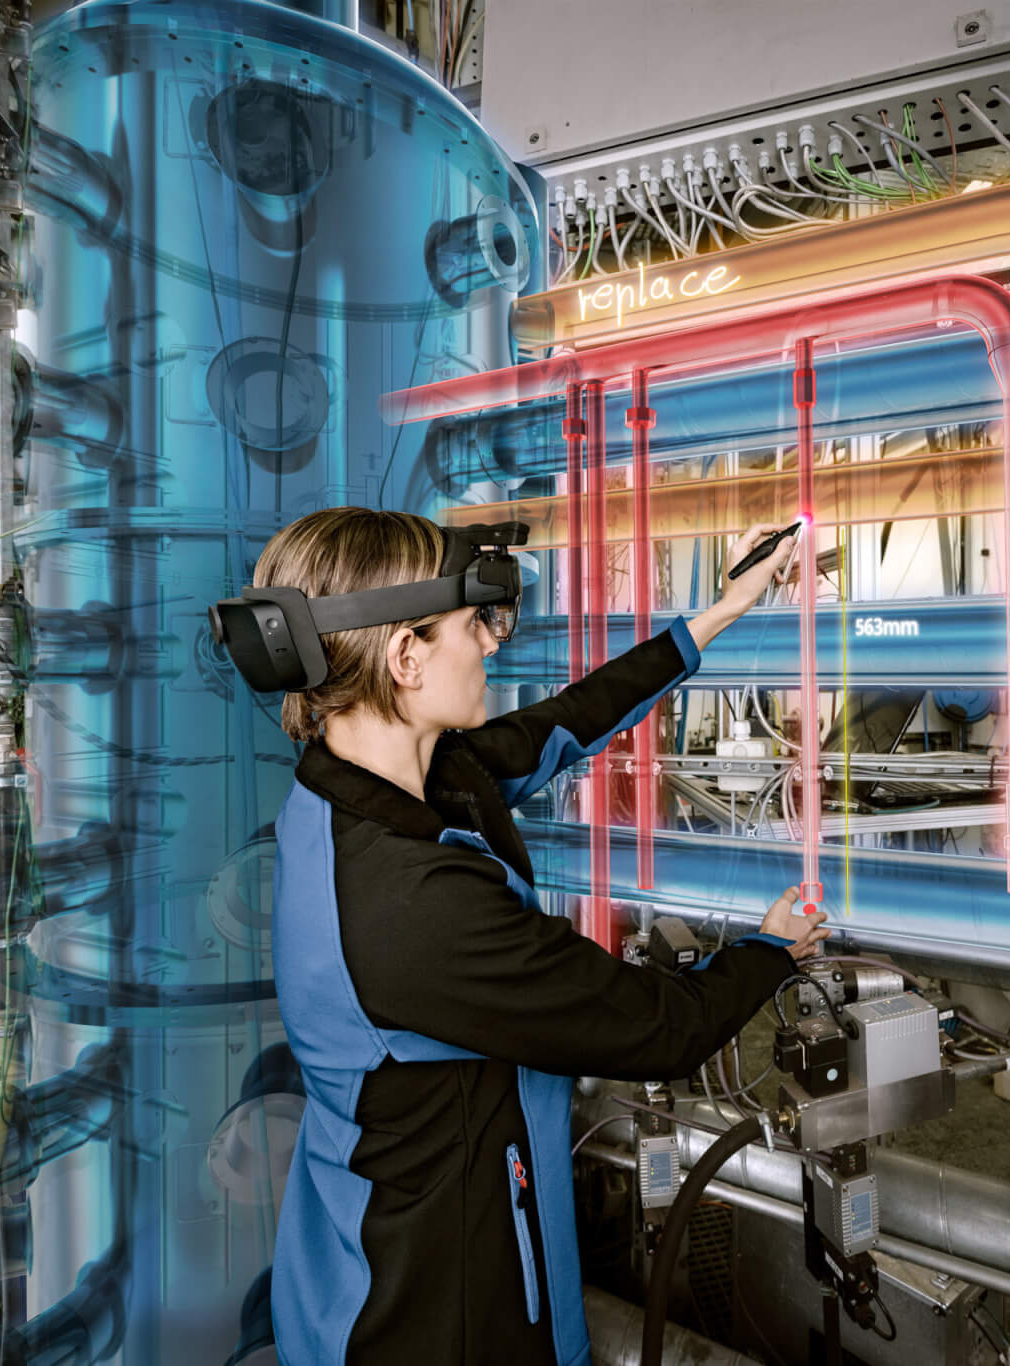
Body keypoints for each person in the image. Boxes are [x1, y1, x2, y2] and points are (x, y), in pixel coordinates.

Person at [252, 507, 826, 1365]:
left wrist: (726, 607)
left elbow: (569, 720)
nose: (491, 643)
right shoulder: (413, 905)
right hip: (425, 1317)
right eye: (471, 624)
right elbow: (657, 1027)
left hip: (350, 1250)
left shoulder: (389, 780)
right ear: (405, 655)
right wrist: (768, 954)